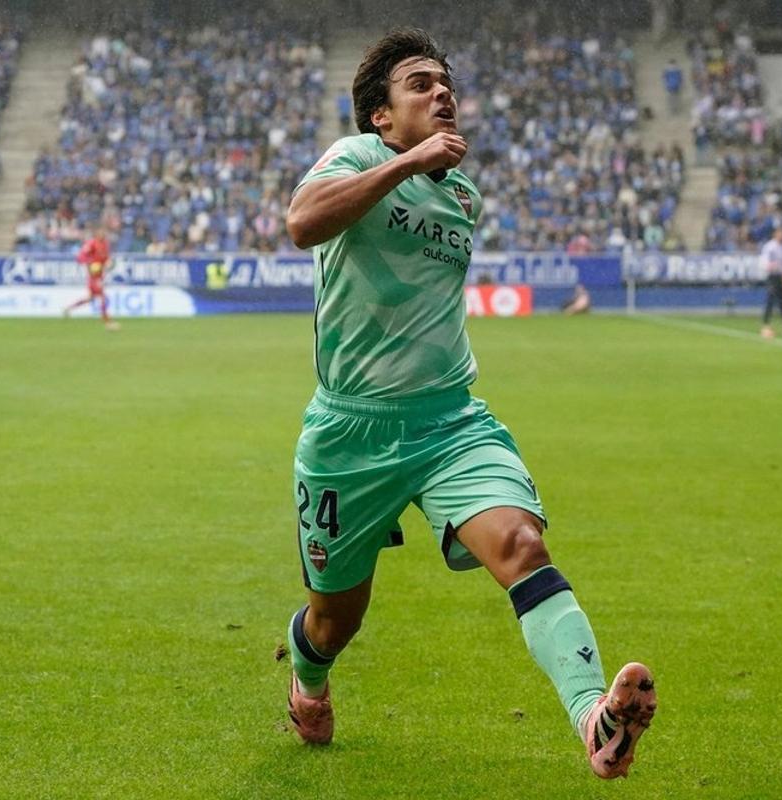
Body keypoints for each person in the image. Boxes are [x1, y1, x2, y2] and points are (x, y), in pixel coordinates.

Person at [281, 28, 656, 780]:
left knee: (523, 548)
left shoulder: (462, 194)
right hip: (349, 433)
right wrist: (410, 162)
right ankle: (308, 679)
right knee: (333, 619)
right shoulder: (356, 156)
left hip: (451, 422)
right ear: (381, 116)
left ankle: (595, 718)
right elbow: (302, 224)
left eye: (445, 84)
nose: (441, 93)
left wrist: (428, 168)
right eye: (419, 84)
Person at [64, 226, 118, 330]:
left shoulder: (106, 244)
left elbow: (106, 258)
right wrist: (91, 263)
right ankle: (107, 322)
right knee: (102, 297)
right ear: (96, 233)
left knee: (90, 298)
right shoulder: (91, 243)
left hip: (100, 275)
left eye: (104, 232)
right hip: (93, 276)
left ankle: (69, 309)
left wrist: (109, 263)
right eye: (101, 232)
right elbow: (80, 257)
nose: (103, 234)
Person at [759, 227, 782, 338]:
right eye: (779, 233)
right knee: (770, 300)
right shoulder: (770, 247)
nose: (781, 235)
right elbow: (764, 262)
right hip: (772, 276)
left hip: (781, 276)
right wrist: (771, 266)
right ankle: (766, 326)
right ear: (775, 234)